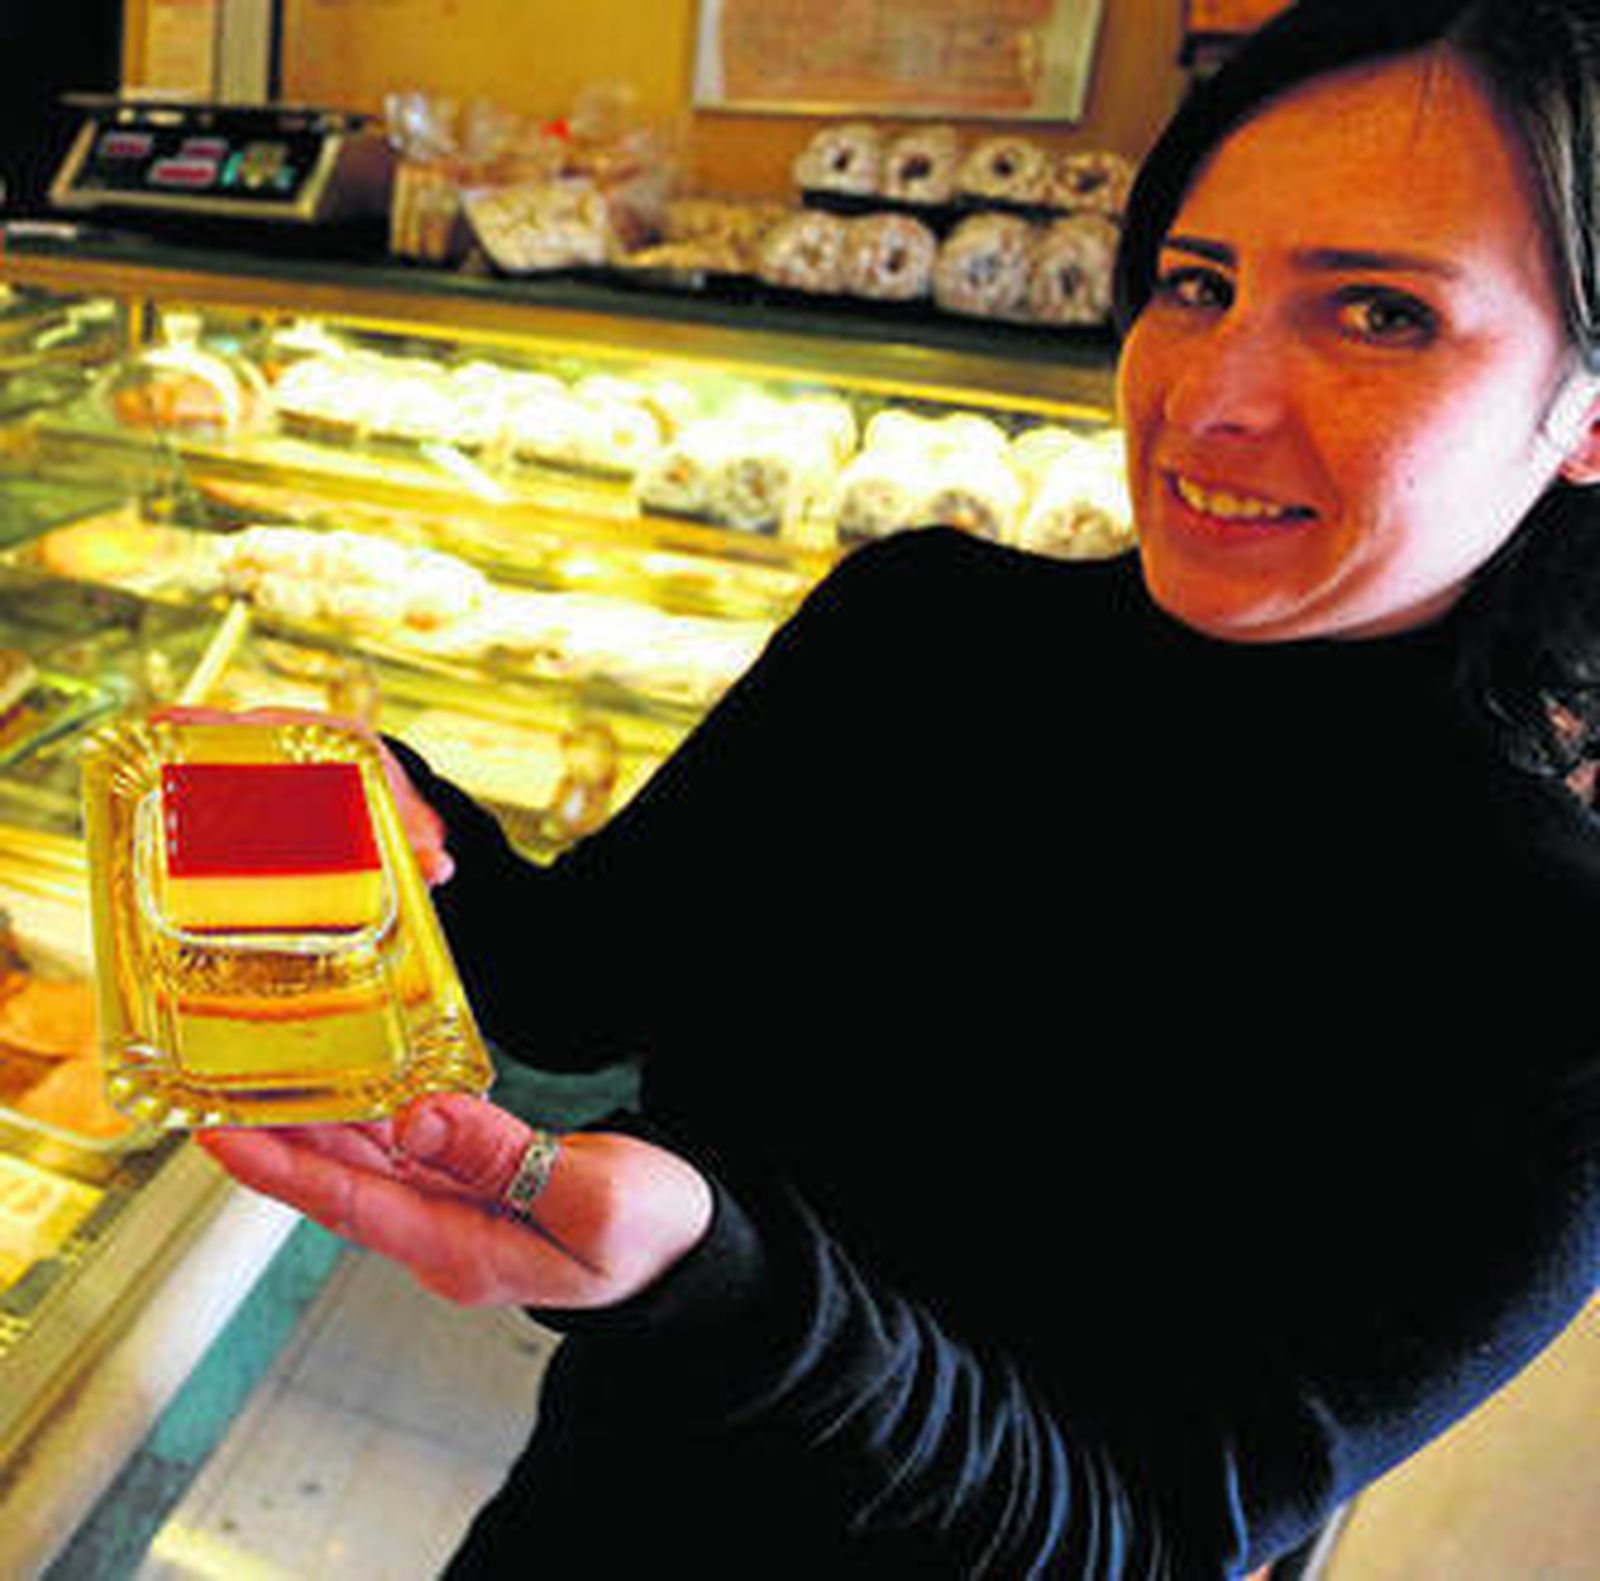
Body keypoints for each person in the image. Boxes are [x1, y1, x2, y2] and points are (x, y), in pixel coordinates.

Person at [199, 0, 1600, 1574]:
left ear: (1589, 410)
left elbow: (1135, 1530)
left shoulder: (1544, 974)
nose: (1212, 397)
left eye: (1381, 316)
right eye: (1195, 284)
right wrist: (387, 812)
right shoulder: (926, 633)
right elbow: (576, 981)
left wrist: (720, 1284)